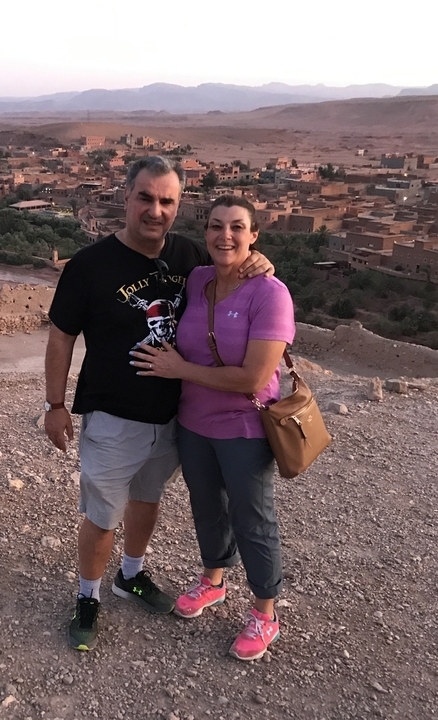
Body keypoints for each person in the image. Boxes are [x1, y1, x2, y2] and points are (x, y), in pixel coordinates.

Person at [45, 157, 274, 651]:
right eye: (145, 198)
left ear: (177, 206)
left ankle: (132, 574)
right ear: (125, 197)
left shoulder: (190, 256)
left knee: (147, 501)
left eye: (166, 201)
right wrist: (55, 403)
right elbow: (62, 336)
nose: (155, 210)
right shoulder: (89, 265)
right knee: (104, 512)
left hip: (173, 416)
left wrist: (261, 262)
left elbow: (233, 266)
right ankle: (88, 596)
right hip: (112, 415)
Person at [130, 195, 295, 661]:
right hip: (194, 423)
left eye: (238, 228)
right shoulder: (199, 278)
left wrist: (177, 368)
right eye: (217, 227)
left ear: (254, 234)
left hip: (245, 426)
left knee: (252, 517)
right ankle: (214, 581)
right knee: (207, 508)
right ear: (206, 234)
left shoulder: (270, 293)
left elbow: (252, 378)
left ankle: (265, 613)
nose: (226, 236)